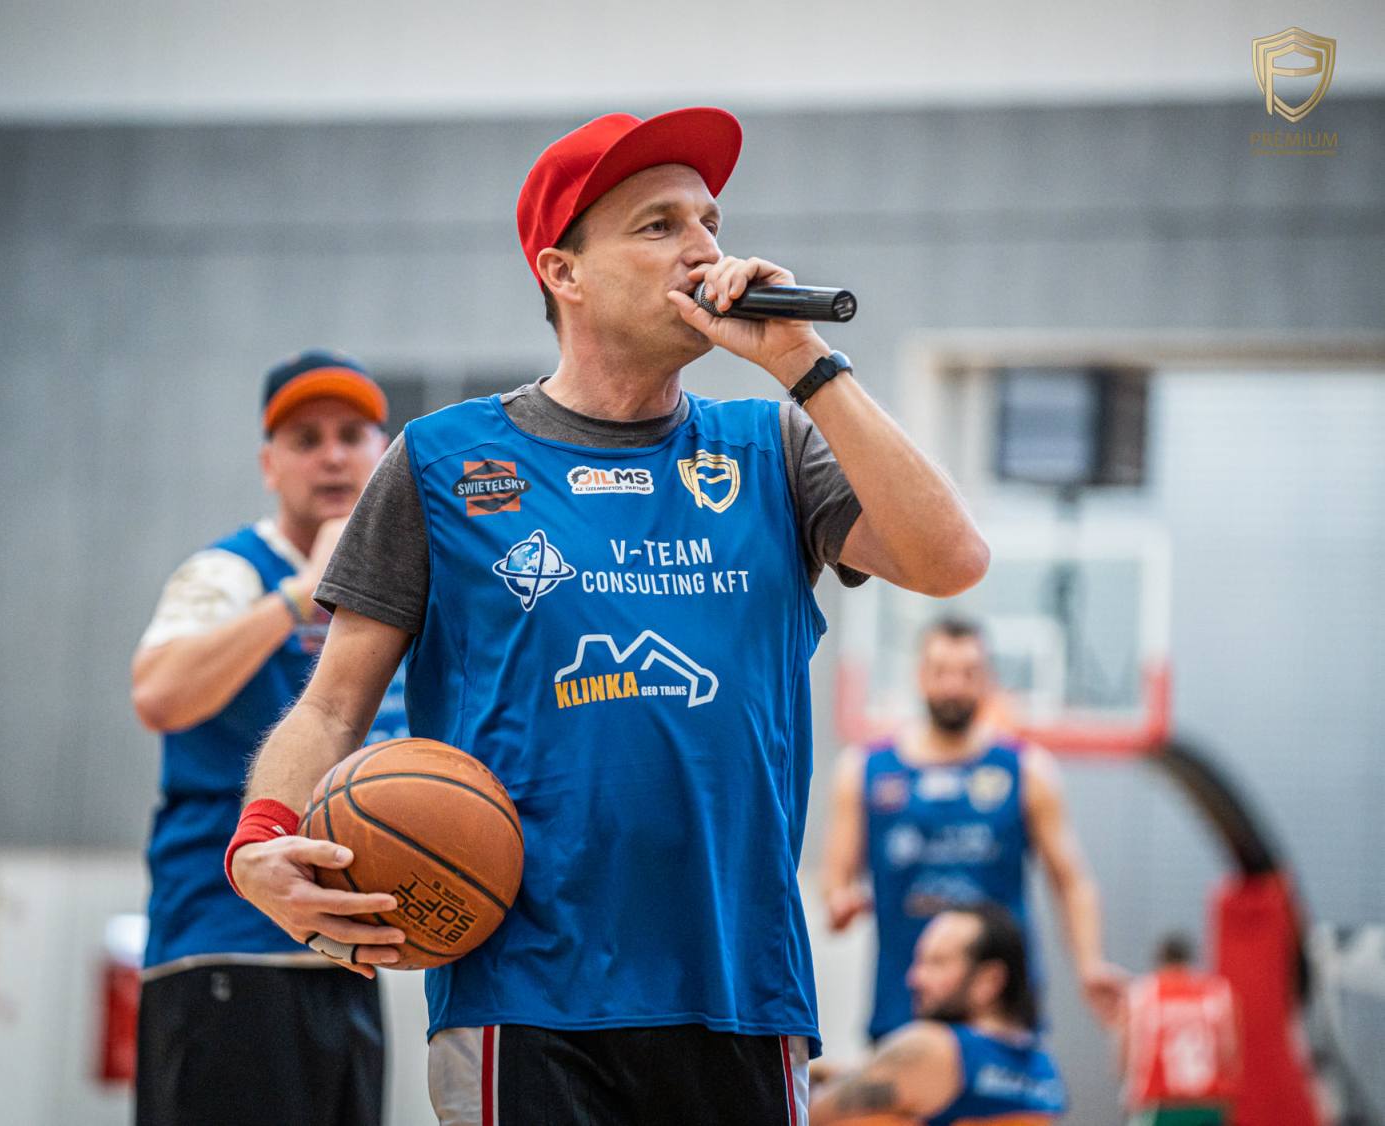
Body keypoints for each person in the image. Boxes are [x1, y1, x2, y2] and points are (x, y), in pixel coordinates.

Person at [227, 107, 990, 1126]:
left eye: (710, 222)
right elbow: (331, 708)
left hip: (742, 988)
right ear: (564, 271)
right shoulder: (442, 462)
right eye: (659, 224)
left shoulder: (771, 445)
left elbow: (951, 561)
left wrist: (807, 363)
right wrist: (260, 842)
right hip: (524, 992)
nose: (704, 249)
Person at [130, 350, 407, 1126]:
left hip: (345, 953)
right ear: (269, 465)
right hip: (227, 947)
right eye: (306, 439)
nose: (332, 456)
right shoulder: (229, 573)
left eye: (351, 435)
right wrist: (297, 597)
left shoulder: (400, 590)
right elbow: (157, 694)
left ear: (383, 454)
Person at [820, 616, 1125, 1041]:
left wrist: (1090, 962)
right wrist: (840, 903)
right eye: (941, 671)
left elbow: (1071, 880)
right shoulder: (864, 770)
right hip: (905, 1005)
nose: (953, 686)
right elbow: (835, 879)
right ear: (919, 675)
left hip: (1000, 1013)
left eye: (968, 673)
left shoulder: (1027, 769)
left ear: (988, 679)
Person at [811, 904, 1067, 1125]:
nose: (914, 979)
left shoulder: (933, 1046)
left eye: (936, 962)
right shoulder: (1043, 1069)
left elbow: (806, 1114)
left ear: (989, 980)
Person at [1119, 933, 1240, 1126]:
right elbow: (1230, 1052)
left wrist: (1130, 1090)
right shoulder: (1216, 992)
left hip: (1162, 1105)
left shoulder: (1146, 992)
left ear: (1160, 961)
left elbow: (1129, 1051)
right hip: (1209, 1104)